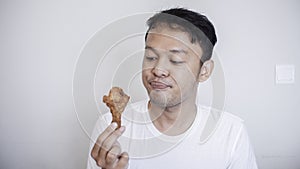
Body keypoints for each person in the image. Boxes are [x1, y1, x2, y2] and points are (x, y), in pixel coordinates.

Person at [87, 8, 258, 169]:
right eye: (151, 57)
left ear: (204, 71)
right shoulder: (110, 129)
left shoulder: (232, 133)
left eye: (175, 60)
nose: (158, 70)